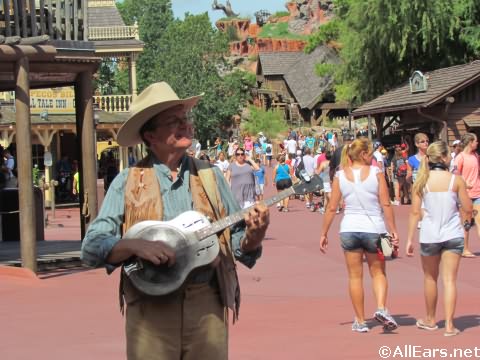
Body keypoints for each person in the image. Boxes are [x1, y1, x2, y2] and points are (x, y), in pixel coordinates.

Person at [81, 82, 269, 360]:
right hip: (149, 310)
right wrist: (134, 246)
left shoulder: (211, 176)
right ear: (150, 136)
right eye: (174, 121)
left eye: (186, 119)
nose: (186, 126)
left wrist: (257, 232)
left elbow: (240, 245)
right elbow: (91, 248)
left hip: (207, 304)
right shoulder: (127, 181)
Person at [319, 138, 399, 333]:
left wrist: (324, 232)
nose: (372, 157)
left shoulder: (340, 175)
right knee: (378, 272)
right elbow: (386, 203)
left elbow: (331, 207)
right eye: (370, 153)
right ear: (363, 155)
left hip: (349, 228)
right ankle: (381, 308)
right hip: (375, 229)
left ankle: (360, 320)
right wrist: (393, 229)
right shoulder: (376, 172)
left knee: (355, 277)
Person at [406, 141, 471, 337]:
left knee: (430, 278)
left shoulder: (422, 181)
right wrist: (465, 218)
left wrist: (409, 238)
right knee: (450, 280)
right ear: (443, 158)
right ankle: (450, 325)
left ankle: (431, 319)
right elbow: (468, 208)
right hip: (452, 233)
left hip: (430, 234)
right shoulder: (455, 180)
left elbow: (415, 212)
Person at [453, 132, 480, 258]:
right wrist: (464, 183)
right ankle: (465, 248)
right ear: (470, 142)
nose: (477, 143)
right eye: (475, 141)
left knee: (479, 220)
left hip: (478, 192)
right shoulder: (460, 157)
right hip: (465, 194)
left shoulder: (476, 156)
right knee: (467, 223)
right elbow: (455, 175)